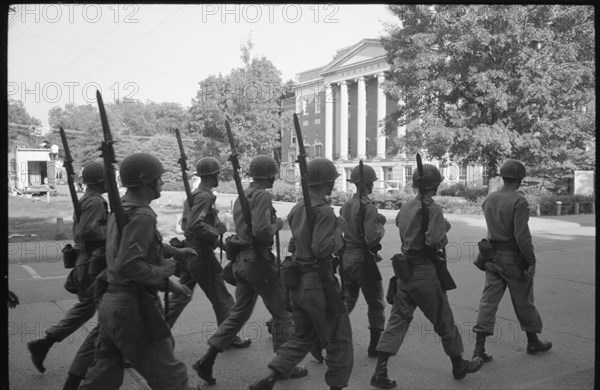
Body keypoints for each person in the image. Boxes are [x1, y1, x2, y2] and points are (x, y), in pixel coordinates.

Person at [79, 153, 198, 390]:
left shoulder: (121, 210)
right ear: (146, 182)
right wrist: (166, 271)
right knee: (172, 378)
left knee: (102, 379)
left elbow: (129, 249)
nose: (162, 183)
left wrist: (172, 253)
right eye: (159, 179)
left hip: (112, 303)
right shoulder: (142, 215)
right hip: (133, 309)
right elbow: (129, 265)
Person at [192, 155, 307, 385]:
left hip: (243, 262)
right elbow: (263, 230)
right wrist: (278, 224)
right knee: (282, 312)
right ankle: (286, 365)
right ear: (267, 174)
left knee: (239, 313)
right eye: (273, 173)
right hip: (259, 262)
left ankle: (208, 357)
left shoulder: (243, 195)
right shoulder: (262, 195)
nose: (275, 177)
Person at [370, 163, 483, 389]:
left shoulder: (406, 206)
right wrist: (444, 229)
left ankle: (380, 371)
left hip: (405, 272)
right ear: (435, 185)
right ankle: (458, 364)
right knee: (444, 319)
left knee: (398, 320)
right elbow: (434, 241)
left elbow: (403, 228)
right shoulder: (433, 209)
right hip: (424, 272)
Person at [249, 157, 353, 390]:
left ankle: (270, 378)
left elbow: (295, 245)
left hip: (298, 283)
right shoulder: (325, 212)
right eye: (331, 181)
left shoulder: (298, 209)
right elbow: (322, 250)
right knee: (339, 339)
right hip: (319, 283)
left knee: (303, 337)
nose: (333, 185)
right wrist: (339, 231)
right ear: (326, 183)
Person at [27, 162, 109, 375]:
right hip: (92, 264)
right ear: (101, 180)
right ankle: (103, 355)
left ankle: (45, 343)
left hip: (87, 262)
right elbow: (90, 232)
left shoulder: (90, 199)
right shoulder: (95, 202)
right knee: (111, 310)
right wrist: (115, 229)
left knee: (88, 308)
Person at [472, 159, 552, 362]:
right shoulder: (519, 201)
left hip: (491, 256)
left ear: (503, 176)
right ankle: (533, 341)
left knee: (488, 302)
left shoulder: (490, 198)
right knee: (524, 300)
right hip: (513, 259)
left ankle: (478, 349)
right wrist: (531, 261)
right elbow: (522, 237)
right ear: (519, 179)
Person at [167, 157, 251, 349]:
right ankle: (227, 337)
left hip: (192, 251)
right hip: (201, 254)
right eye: (218, 173)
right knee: (222, 298)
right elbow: (195, 225)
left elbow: (185, 224)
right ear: (213, 175)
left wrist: (221, 243)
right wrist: (217, 232)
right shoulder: (203, 197)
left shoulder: (196, 195)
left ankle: (158, 334)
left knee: (181, 295)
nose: (219, 176)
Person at [339, 163, 387, 357]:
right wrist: (380, 225)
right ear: (366, 184)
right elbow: (372, 238)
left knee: (347, 301)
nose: (372, 186)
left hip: (346, 257)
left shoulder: (346, 205)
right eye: (371, 183)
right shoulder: (368, 207)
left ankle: (328, 334)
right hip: (363, 259)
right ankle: (375, 345)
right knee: (376, 303)